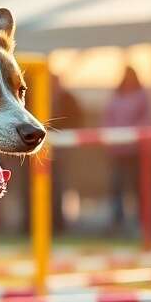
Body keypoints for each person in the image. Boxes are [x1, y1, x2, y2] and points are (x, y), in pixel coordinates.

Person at [102, 65, 151, 230]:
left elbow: (146, 119)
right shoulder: (117, 95)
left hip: (135, 151)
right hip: (117, 150)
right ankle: (117, 223)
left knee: (138, 187)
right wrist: (110, 137)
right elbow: (108, 117)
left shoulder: (142, 95)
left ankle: (142, 223)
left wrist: (132, 137)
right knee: (117, 187)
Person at [49, 74, 85, 232]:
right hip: (42, 151)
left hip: (62, 149)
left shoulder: (68, 98)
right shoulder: (38, 96)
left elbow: (78, 118)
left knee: (60, 185)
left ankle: (60, 223)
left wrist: (67, 135)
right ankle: (35, 223)